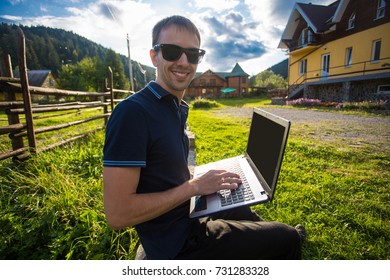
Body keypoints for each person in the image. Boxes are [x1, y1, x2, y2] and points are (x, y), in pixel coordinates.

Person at [103, 15, 305, 260]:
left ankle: (264, 235)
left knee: (238, 200)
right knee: (288, 237)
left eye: (193, 54)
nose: (183, 61)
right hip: (178, 243)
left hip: (189, 211)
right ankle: (280, 238)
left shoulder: (174, 106)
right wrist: (195, 187)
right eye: (171, 51)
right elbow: (118, 214)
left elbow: (161, 172)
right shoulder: (132, 113)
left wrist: (201, 181)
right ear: (154, 56)